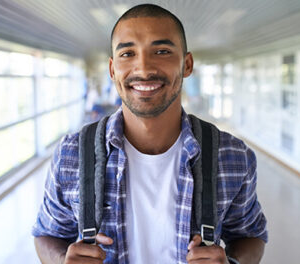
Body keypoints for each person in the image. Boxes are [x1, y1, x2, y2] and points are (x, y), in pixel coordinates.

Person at [32, 4, 267, 264]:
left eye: (162, 51)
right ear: (112, 70)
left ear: (187, 64)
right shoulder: (72, 154)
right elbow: (47, 235)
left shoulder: (232, 156)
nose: (143, 69)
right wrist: (62, 259)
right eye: (127, 53)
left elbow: (250, 235)